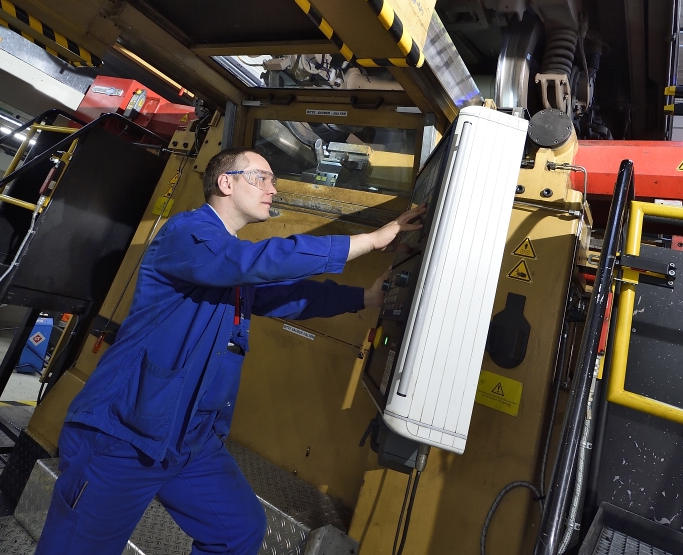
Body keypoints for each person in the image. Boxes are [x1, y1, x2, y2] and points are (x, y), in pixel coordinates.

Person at [35, 147, 424, 555]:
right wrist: (372, 240)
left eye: (273, 181)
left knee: (237, 532)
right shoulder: (187, 235)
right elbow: (254, 262)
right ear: (226, 182)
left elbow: (288, 295)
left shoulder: (230, 260)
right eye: (262, 178)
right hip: (126, 433)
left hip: (189, 440)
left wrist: (366, 297)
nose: (273, 189)